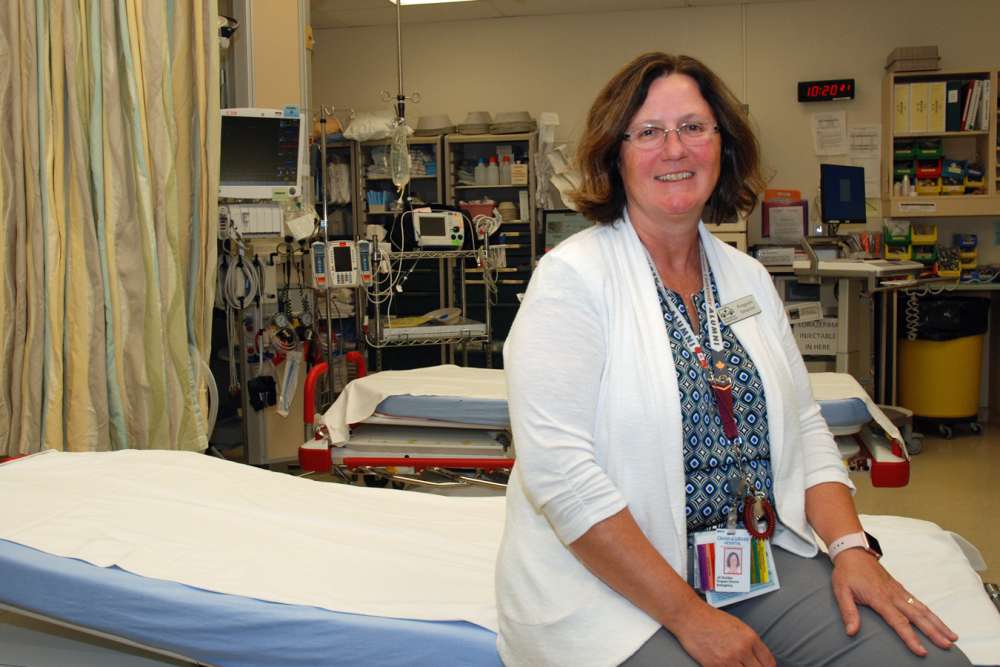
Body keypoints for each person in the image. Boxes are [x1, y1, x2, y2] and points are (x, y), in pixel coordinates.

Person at [495, 52, 970, 667]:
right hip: (611, 586)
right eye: (648, 132)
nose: (674, 150)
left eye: (694, 127)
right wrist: (691, 619)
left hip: (746, 562)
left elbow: (803, 423)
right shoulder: (572, 279)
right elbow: (561, 478)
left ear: (722, 146)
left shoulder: (745, 278)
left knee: (925, 661)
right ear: (616, 154)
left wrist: (852, 549)